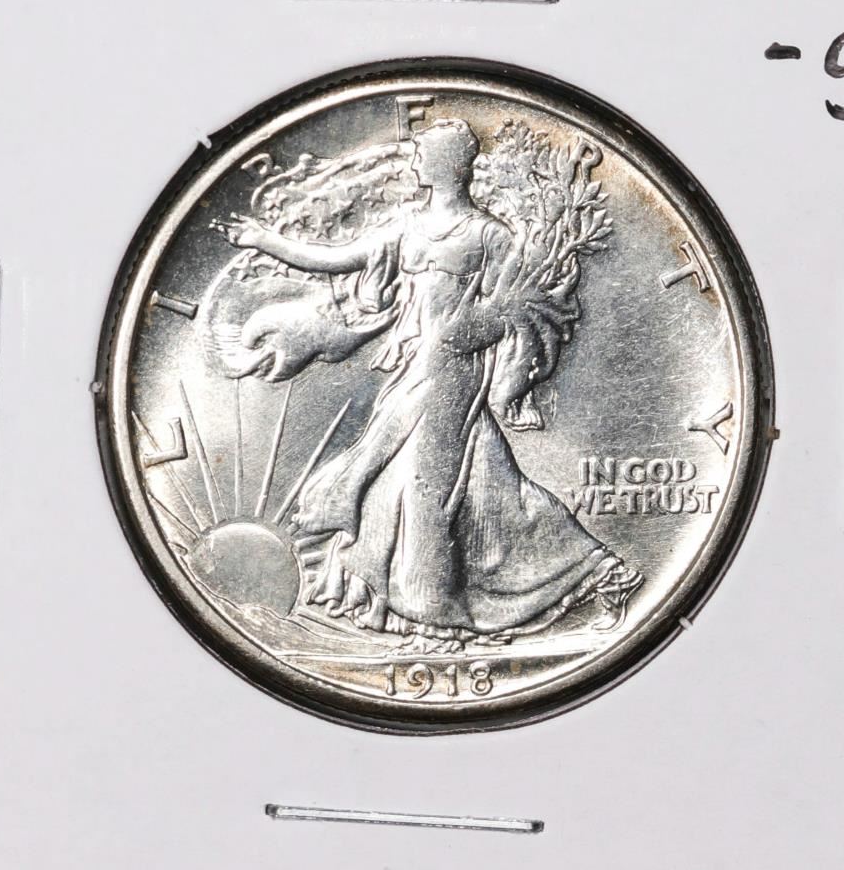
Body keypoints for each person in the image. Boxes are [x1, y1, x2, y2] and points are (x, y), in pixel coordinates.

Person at [217, 119, 634, 646]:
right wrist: (263, 240)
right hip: (414, 366)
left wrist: (473, 332)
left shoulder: (488, 235)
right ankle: (591, 572)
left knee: (423, 487)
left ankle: (435, 611)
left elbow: (515, 306)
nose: (415, 161)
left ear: (449, 165)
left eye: (422, 154)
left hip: (454, 372)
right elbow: (335, 260)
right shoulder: (407, 228)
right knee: (467, 480)